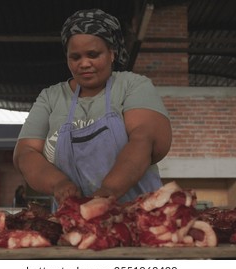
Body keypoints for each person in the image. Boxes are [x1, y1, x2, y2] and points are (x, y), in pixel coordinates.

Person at [13, 9, 172, 209]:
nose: (84, 63)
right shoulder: (51, 97)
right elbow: (25, 154)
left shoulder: (132, 86)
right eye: (75, 57)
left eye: (93, 54)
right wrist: (58, 184)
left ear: (111, 53)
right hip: (75, 224)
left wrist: (110, 189)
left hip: (142, 218)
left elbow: (145, 139)